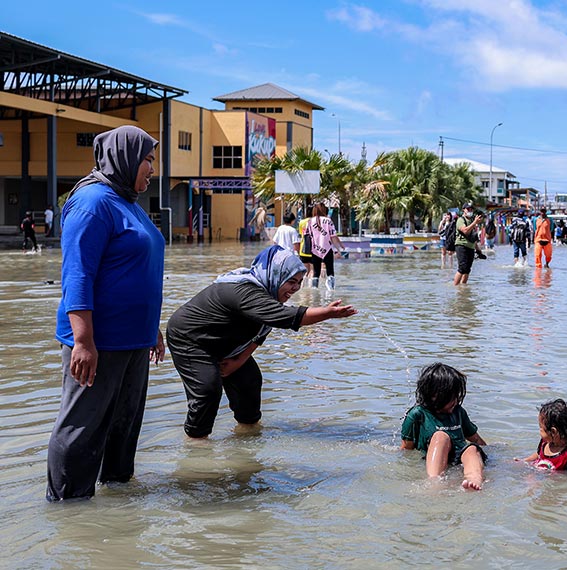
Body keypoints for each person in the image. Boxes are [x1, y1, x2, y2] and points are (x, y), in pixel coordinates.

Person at [47, 125, 165, 501]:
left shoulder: (127, 202)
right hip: (99, 341)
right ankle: (67, 507)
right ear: (124, 158)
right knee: (81, 428)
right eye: (148, 160)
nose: (152, 168)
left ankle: (117, 505)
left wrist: (152, 328)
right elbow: (77, 274)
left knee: (123, 426)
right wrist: (83, 341)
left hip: (134, 341)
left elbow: (139, 269)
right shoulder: (92, 202)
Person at [166, 245, 356, 439]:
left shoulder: (267, 295)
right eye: (291, 281)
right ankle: (197, 443)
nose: (295, 288)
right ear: (275, 275)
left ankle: (247, 433)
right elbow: (284, 317)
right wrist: (327, 313)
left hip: (225, 340)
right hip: (190, 339)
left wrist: (239, 360)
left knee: (250, 382)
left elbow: (260, 333)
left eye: (299, 282)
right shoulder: (244, 291)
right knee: (208, 390)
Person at [400, 363, 487, 490]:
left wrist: (494, 454)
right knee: (441, 436)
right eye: (452, 397)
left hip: (460, 455)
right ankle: (434, 481)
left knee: (472, 449)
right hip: (436, 457)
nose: (456, 400)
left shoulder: (459, 412)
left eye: (457, 396)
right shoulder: (417, 414)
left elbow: (476, 439)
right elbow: (406, 447)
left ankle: (474, 479)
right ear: (434, 396)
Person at [519, 398, 567, 471]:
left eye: (541, 427)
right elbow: (538, 455)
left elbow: (566, 477)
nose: (539, 430)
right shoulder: (545, 441)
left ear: (553, 432)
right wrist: (524, 461)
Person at [304, 203, 345, 290]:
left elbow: (306, 236)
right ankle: (331, 290)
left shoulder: (310, 222)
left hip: (315, 250)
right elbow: (333, 236)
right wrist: (338, 250)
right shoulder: (328, 221)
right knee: (330, 272)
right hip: (327, 249)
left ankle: (314, 291)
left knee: (316, 272)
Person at [452, 202, 485, 286]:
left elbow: (472, 236)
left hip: (471, 247)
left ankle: (463, 287)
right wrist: (474, 223)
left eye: (471, 209)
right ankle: (455, 287)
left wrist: (478, 249)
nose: (470, 211)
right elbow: (465, 231)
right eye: (468, 209)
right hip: (461, 246)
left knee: (467, 269)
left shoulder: (471, 221)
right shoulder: (461, 220)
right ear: (464, 210)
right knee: (462, 268)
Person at [298, 206, 315, 284]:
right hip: (314, 250)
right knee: (312, 271)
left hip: (303, 250)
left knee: (305, 271)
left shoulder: (302, 222)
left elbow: (301, 234)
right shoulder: (316, 222)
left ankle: (302, 287)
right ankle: (311, 287)